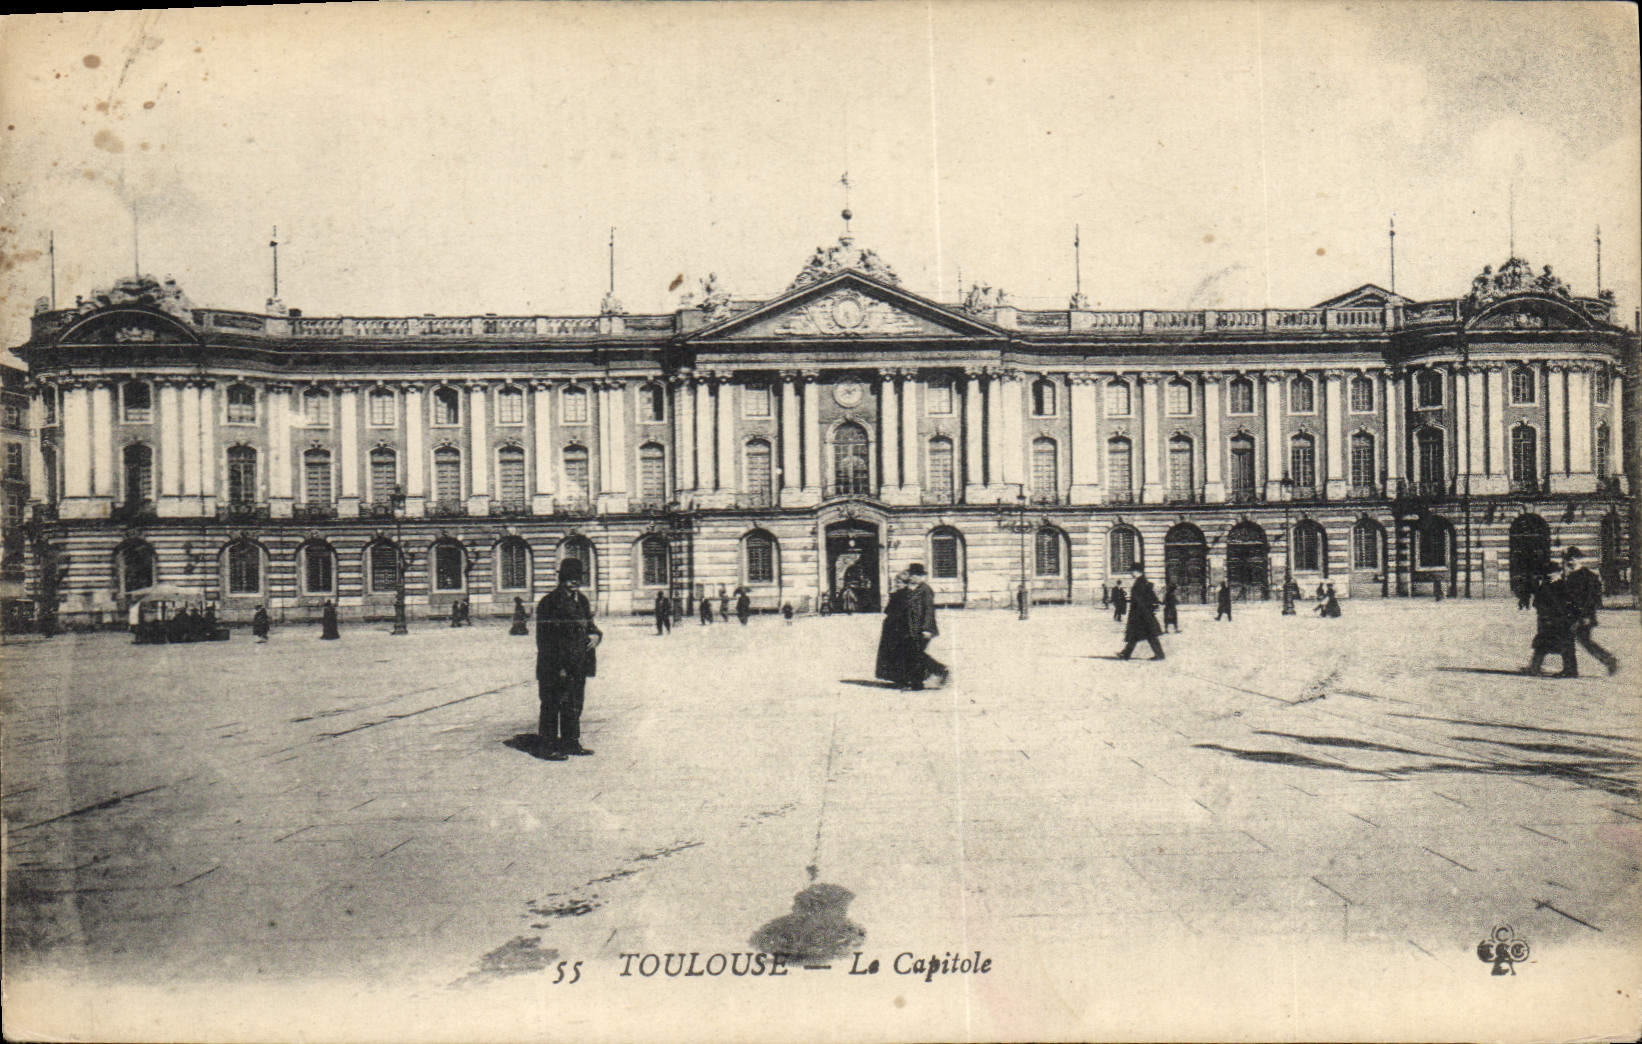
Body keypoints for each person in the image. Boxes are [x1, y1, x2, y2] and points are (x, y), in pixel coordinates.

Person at [535, 558, 602, 759]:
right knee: (552, 704)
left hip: (578, 663)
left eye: (577, 578)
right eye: (569, 578)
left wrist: (596, 635)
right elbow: (545, 639)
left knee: (574, 704)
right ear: (562, 578)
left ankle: (570, 742)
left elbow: (590, 626)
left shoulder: (582, 600)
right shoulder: (549, 602)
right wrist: (558, 667)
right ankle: (548, 747)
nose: (574, 582)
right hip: (555, 665)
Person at [1562, 547, 1619, 675]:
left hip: (1583, 615)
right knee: (1571, 640)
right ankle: (1570, 669)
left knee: (1584, 641)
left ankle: (1609, 660)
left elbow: (1592, 599)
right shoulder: (1569, 576)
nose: (1570, 561)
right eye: (1568, 559)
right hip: (1571, 615)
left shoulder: (1588, 576)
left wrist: (1586, 615)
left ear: (1579, 559)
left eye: (1573, 559)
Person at [902, 563, 949, 690]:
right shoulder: (914, 589)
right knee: (915, 654)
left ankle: (936, 671)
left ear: (920, 576)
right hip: (913, 628)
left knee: (916, 654)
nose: (911, 577)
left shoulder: (926, 590)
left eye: (914, 575)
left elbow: (929, 611)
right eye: (911, 575)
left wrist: (927, 629)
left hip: (923, 628)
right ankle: (934, 673)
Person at [1524, 566, 1576, 677]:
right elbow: (1537, 603)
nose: (1550, 575)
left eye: (1553, 573)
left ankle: (1570, 670)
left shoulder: (1564, 586)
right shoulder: (1544, 586)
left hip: (1561, 620)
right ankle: (1534, 668)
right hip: (1548, 619)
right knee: (1542, 644)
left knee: (1566, 645)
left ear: (1559, 573)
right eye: (1548, 573)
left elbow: (1572, 603)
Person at [1117, 564, 1164, 661]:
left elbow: (1140, 600)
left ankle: (1159, 655)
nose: (1131, 573)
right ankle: (1126, 654)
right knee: (1140, 635)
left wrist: (1140, 614)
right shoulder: (1143, 582)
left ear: (1138, 572)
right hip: (1144, 613)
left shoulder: (1140, 583)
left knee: (1147, 635)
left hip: (1141, 614)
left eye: (1132, 571)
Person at [875, 572, 913, 688]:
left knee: (895, 653)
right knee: (901, 653)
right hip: (900, 627)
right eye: (896, 582)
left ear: (905, 583)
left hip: (895, 627)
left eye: (899, 582)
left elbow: (888, 610)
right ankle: (903, 678)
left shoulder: (897, 595)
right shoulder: (910, 594)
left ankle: (901, 678)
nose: (897, 584)